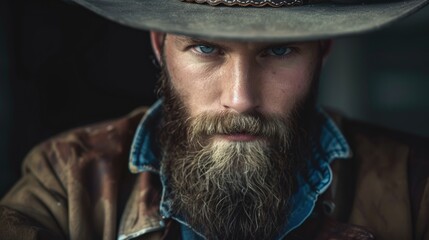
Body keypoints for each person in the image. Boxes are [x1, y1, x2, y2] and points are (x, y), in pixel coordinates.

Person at [1, 0, 428, 239]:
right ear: (159, 46)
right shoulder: (66, 178)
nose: (240, 99)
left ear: (323, 51)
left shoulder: (413, 186)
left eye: (278, 51)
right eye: (206, 49)